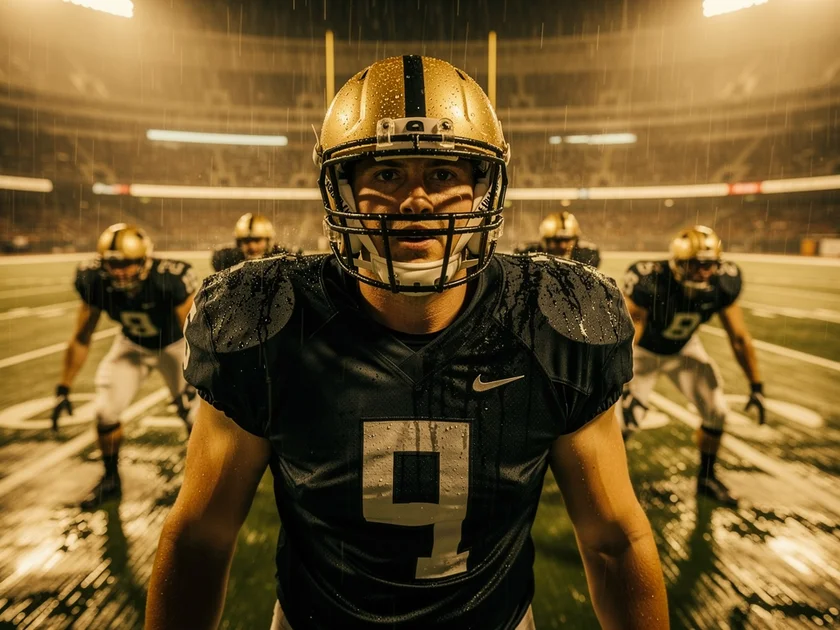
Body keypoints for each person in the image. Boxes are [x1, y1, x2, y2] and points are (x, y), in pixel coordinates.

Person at [146, 56, 668, 630]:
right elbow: (199, 539)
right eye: (388, 174)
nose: (416, 201)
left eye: (442, 175)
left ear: (484, 190)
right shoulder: (268, 320)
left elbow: (614, 540)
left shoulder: (552, 319)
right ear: (342, 190)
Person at [52, 223, 198, 509]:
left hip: (175, 344)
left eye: (127, 263)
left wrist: (197, 380)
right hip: (132, 344)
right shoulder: (94, 281)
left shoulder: (169, 278)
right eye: (113, 263)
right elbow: (82, 337)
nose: (119, 271)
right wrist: (63, 388)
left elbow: (194, 334)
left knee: (194, 416)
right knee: (105, 411)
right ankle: (110, 480)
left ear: (145, 260)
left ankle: (202, 479)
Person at [620, 225, 766, 507]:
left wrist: (756, 385)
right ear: (677, 262)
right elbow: (631, 333)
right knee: (624, 422)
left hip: (684, 349)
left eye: (708, 264)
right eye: (695, 264)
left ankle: (706, 478)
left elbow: (739, 338)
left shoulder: (723, 283)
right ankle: (608, 481)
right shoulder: (651, 279)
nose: (702, 272)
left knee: (717, 410)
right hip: (644, 352)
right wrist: (620, 379)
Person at [211, 212, 300, 271]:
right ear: (239, 243)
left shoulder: (283, 256)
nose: (252, 246)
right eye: (246, 241)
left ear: (268, 242)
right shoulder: (226, 258)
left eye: (257, 240)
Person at [514, 211, 601, 268]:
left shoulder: (587, 255)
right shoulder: (529, 254)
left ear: (576, 240)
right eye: (557, 241)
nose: (563, 245)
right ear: (545, 241)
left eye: (567, 240)